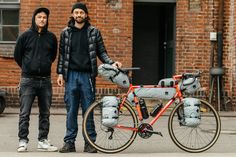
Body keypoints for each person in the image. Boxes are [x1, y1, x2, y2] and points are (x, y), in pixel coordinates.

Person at [57, 2, 122, 153]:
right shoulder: (65, 32)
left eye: (81, 13)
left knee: (89, 110)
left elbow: (102, 52)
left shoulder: (94, 32)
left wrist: (112, 63)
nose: (79, 15)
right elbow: (62, 56)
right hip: (71, 75)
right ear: (72, 14)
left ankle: (90, 142)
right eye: (76, 12)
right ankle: (69, 142)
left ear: (86, 15)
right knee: (71, 110)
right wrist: (60, 73)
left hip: (87, 76)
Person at [14, 7, 58, 152]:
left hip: (45, 81)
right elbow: (17, 55)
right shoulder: (25, 36)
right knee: (24, 112)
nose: (42, 20)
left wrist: (43, 66)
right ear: (34, 18)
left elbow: (52, 56)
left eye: (44, 17)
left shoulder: (51, 37)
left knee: (45, 113)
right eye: (39, 17)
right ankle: (22, 140)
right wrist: (28, 67)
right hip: (28, 80)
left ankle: (43, 140)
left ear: (47, 20)